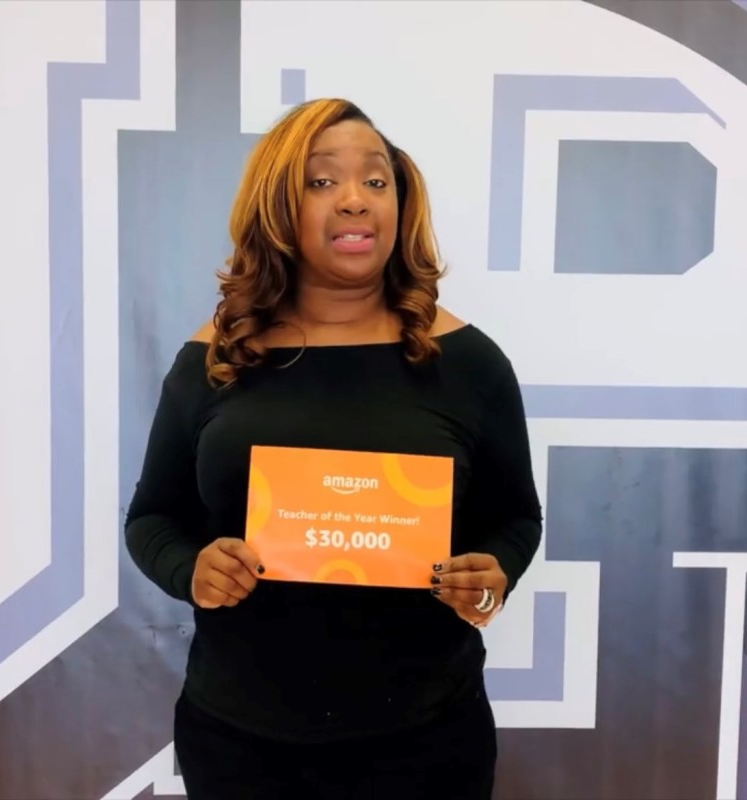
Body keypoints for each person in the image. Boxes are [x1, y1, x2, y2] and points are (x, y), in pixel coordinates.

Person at [124, 97, 543, 799]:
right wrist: (190, 568)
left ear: (400, 205)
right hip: (241, 745)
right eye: (322, 181)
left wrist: (494, 569)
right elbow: (151, 518)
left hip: (427, 742)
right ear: (278, 206)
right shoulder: (214, 359)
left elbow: (516, 518)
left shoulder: (468, 362)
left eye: (376, 182)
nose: (355, 200)